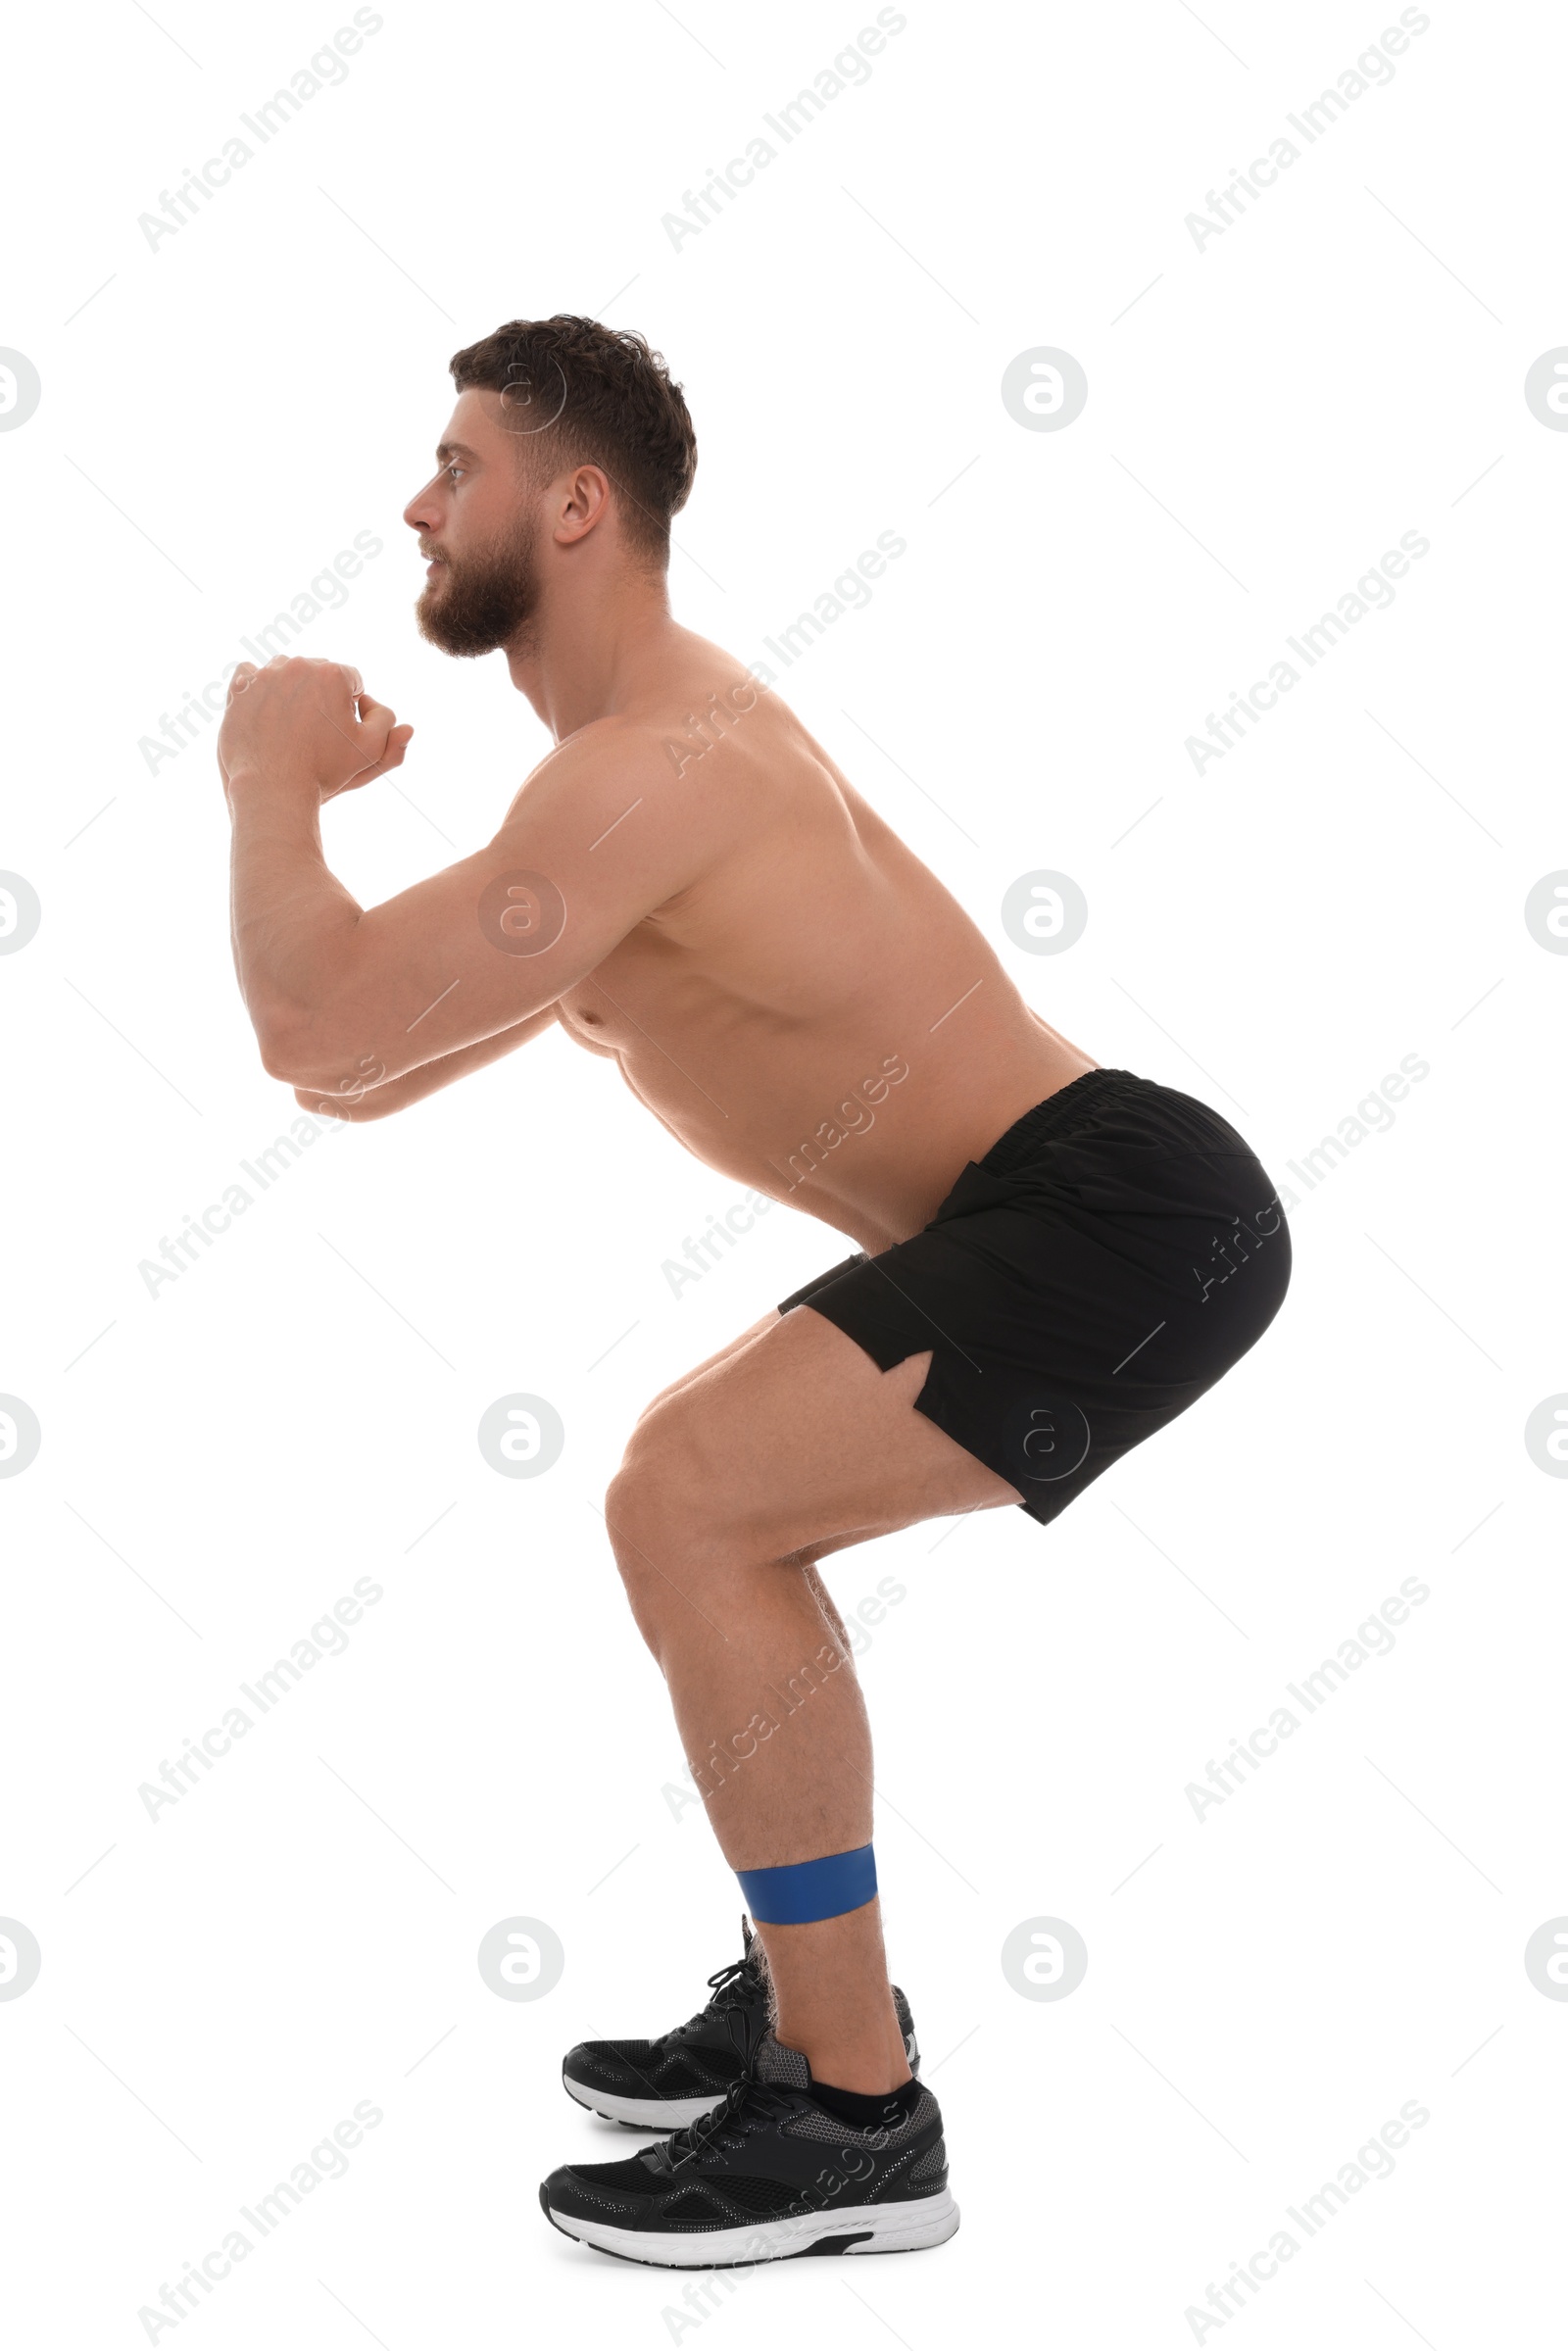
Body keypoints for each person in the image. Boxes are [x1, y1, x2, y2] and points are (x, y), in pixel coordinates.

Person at [217, 315, 1291, 2269]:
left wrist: (262, 788)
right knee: (698, 1496)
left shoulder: (649, 776)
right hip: (1055, 1206)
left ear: (575, 502)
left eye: (455, 465)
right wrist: (311, 859)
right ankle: (817, 2007)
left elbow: (311, 1016)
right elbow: (355, 1064)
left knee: (688, 1495)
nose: (415, 500)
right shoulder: (616, 790)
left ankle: (851, 2113)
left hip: (1117, 1208)